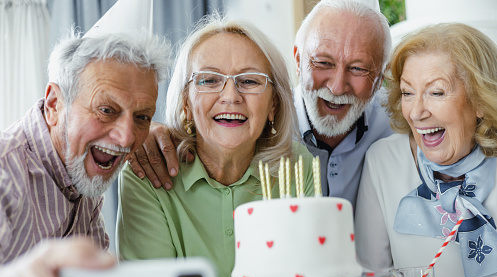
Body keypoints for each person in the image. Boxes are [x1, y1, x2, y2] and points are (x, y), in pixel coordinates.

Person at [117, 16, 371, 277]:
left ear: (274, 106)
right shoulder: (147, 172)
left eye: (249, 81)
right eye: (209, 80)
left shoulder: (297, 165)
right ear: (186, 100)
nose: (231, 96)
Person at [127, 0, 393, 209]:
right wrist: (145, 135)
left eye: (358, 69)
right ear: (298, 59)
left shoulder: (402, 127)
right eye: (323, 63)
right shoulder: (255, 133)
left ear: (381, 77)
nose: (336, 86)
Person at [0, 30, 170, 277]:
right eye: (107, 110)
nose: (128, 137)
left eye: (143, 117)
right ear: (54, 105)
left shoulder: (83, 173)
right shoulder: (5, 175)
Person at [354, 23, 497, 277]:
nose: (416, 112)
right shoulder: (383, 161)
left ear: (480, 101)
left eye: (436, 92)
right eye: (408, 93)